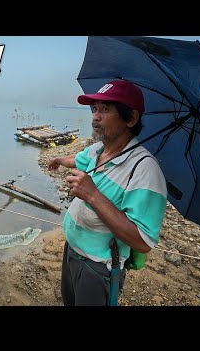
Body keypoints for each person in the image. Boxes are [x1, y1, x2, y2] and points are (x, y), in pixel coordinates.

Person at [47, 79, 167, 306]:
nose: (95, 116)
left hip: (97, 268)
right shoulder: (98, 149)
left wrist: (92, 195)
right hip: (71, 250)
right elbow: (78, 159)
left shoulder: (145, 170)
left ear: (130, 118)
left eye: (105, 109)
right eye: (94, 109)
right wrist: (60, 159)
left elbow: (143, 241)